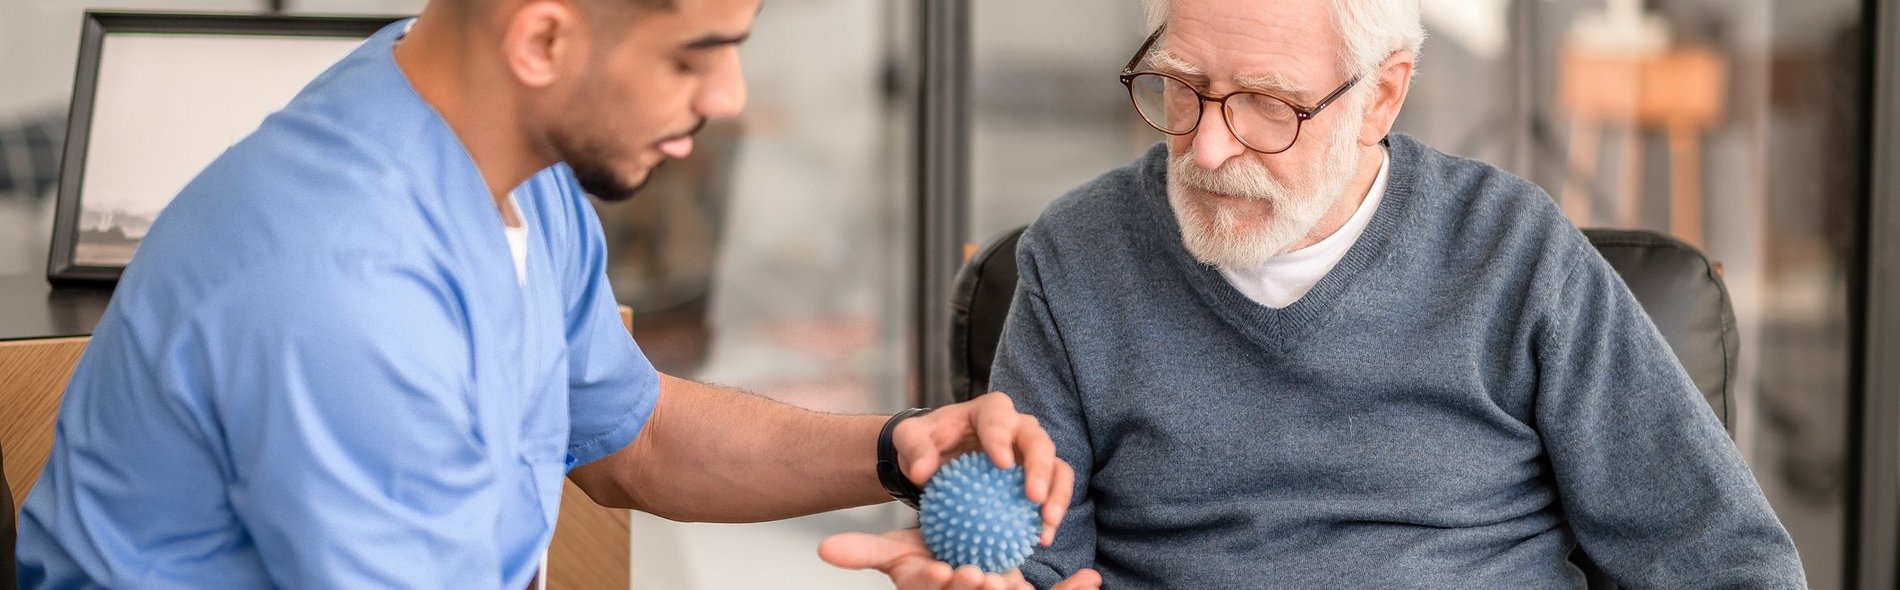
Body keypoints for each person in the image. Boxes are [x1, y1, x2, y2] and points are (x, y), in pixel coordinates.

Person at [14, 0, 1102, 588]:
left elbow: (632, 437)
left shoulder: (496, 155)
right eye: (698, 54)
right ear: (540, 36)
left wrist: (904, 447)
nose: (729, 97)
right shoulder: (346, 295)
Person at [990, 0, 1806, 587]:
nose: (1205, 150)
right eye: (1180, 85)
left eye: (1266, 105)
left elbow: (1723, 561)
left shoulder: (1513, 252)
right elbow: (1021, 561)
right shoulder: (1077, 258)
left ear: (1381, 95)